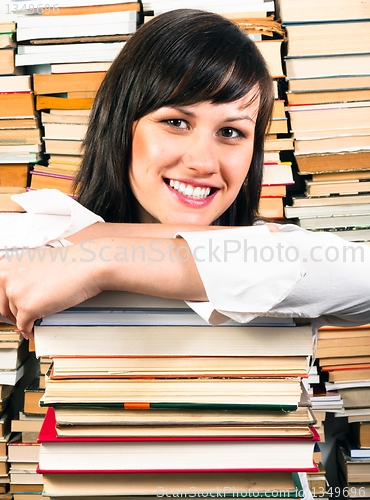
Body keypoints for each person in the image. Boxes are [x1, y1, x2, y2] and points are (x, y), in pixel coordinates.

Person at [0, 8, 369, 340]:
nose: (203, 162)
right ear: (122, 128)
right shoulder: (45, 234)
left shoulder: (280, 252)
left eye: (231, 132)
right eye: (176, 122)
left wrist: (100, 259)